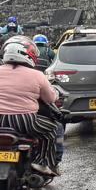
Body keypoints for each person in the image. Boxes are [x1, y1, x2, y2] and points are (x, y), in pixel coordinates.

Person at [0, 37, 60, 175]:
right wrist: (56, 94)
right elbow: (50, 98)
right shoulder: (37, 75)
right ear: (29, 55)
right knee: (51, 131)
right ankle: (41, 162)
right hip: (25, 121)